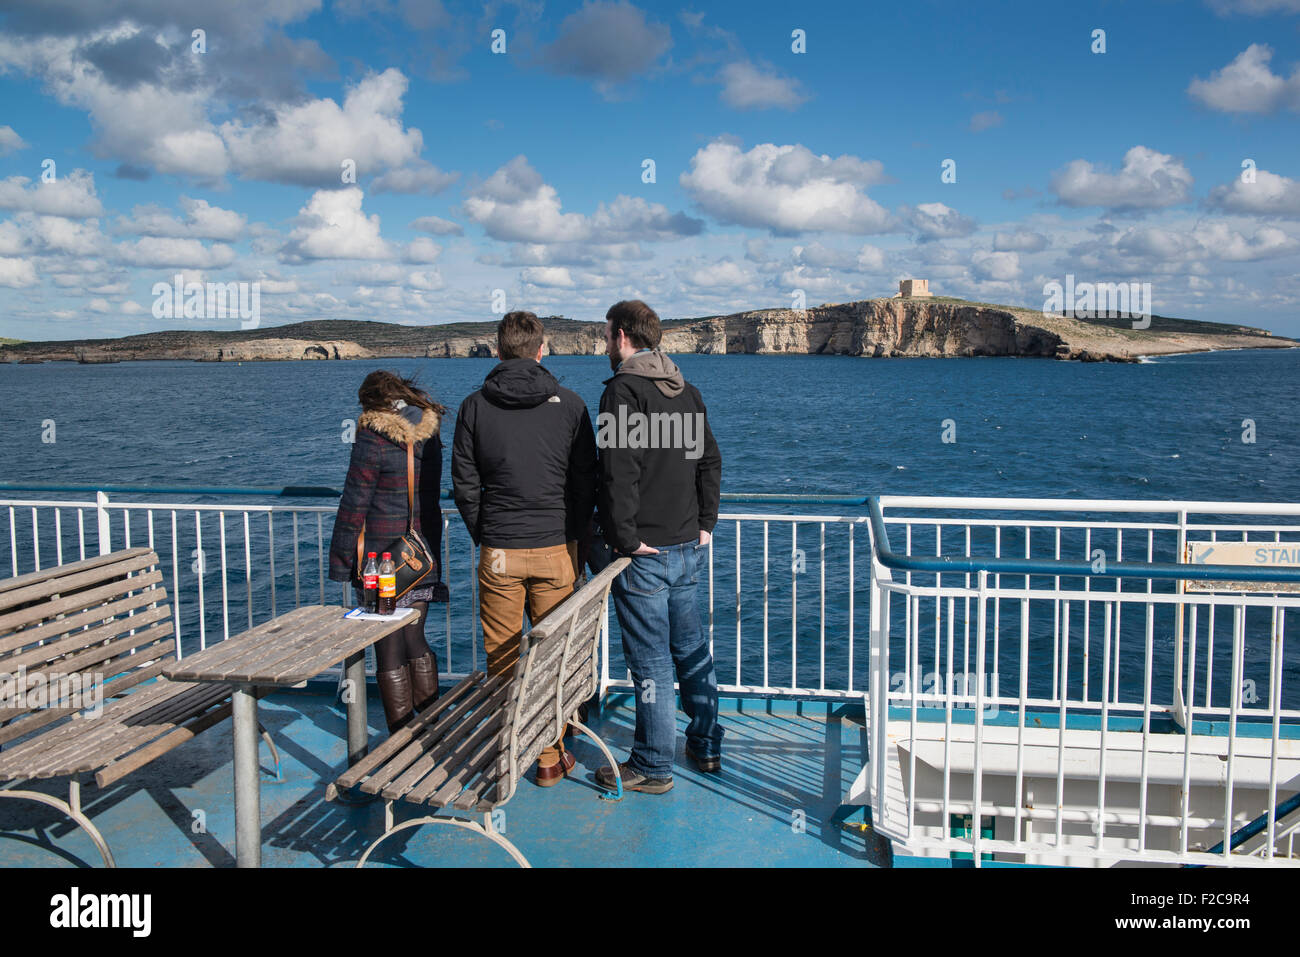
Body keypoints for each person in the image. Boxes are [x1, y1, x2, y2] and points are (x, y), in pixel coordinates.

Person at [452, 311, 597, 786]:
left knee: (503, 656)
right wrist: (571, 538)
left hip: (499, 550)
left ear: (497, 350)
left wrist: (486, 533)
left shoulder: (474, 407)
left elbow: (465, 485)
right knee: (553, 655)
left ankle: (507, 748)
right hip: (556, 547)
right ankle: (549, 755)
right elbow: (584, 484)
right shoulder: (572, 405)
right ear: (542, 349)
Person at [595, 299, 723, 794]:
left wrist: (626, 540)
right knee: (690, 649)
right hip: (687, 545)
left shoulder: (621, 392)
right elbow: (709, 462)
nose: (606, 344)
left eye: (607, 335)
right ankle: (706, 743)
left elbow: (616, 472)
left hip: (644, 553)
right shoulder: (686, 391)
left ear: (624, 337)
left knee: (649, 661)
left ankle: (652, 764)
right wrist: (705, 523)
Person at [329, 371, 447, 734]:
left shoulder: (372, 436)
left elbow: (354, 504)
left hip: (381, 560)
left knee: (388, 645)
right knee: (415, 635)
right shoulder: (429, 431)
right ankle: (430, 725)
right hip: (421, 554)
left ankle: (401, 736)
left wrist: (341, 562)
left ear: (371, 403)